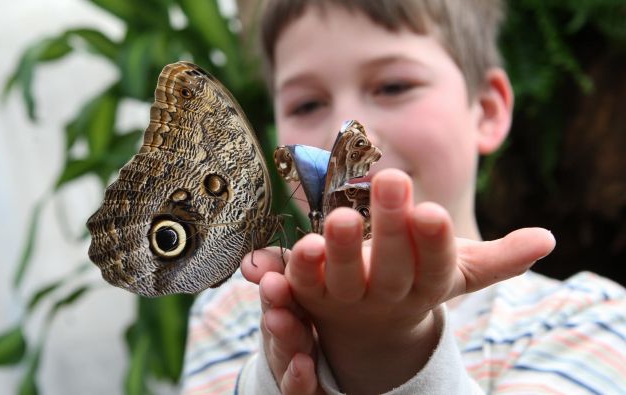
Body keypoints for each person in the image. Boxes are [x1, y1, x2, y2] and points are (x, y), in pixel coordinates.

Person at [181, 1, 626, 394]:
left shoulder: (588, 320)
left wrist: (389, 351)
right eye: (307, 105)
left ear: (486, 110)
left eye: (393, 87)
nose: (349, 128)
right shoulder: (238, 309)